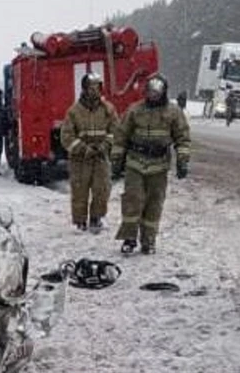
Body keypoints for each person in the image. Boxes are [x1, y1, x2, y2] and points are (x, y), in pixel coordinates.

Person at [110, 73, 191, 254]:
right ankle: (129, 238)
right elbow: (120, 136)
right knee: (133, 200)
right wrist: (116, 161)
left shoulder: (173, 112)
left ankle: (148, 240)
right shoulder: (134, 110)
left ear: (163, 93)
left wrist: (182, 161)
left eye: (156, 92)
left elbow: (183, 138)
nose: (152, 95)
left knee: (154, 204)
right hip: (135, 162)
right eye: (150, 92)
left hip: (159, 165)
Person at [60, 72, 118, 233]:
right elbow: (66, 136)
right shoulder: (74, 111)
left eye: (97, 88)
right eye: (91, 88)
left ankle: (96, 218)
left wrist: (104, 146)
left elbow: (116, 131)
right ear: (84, 89)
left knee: (102, 189)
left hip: (100, 157)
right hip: (80, 160)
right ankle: (80, 222)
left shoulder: (108, 109)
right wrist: (84, 149)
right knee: (80, 191)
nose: (95, 91)